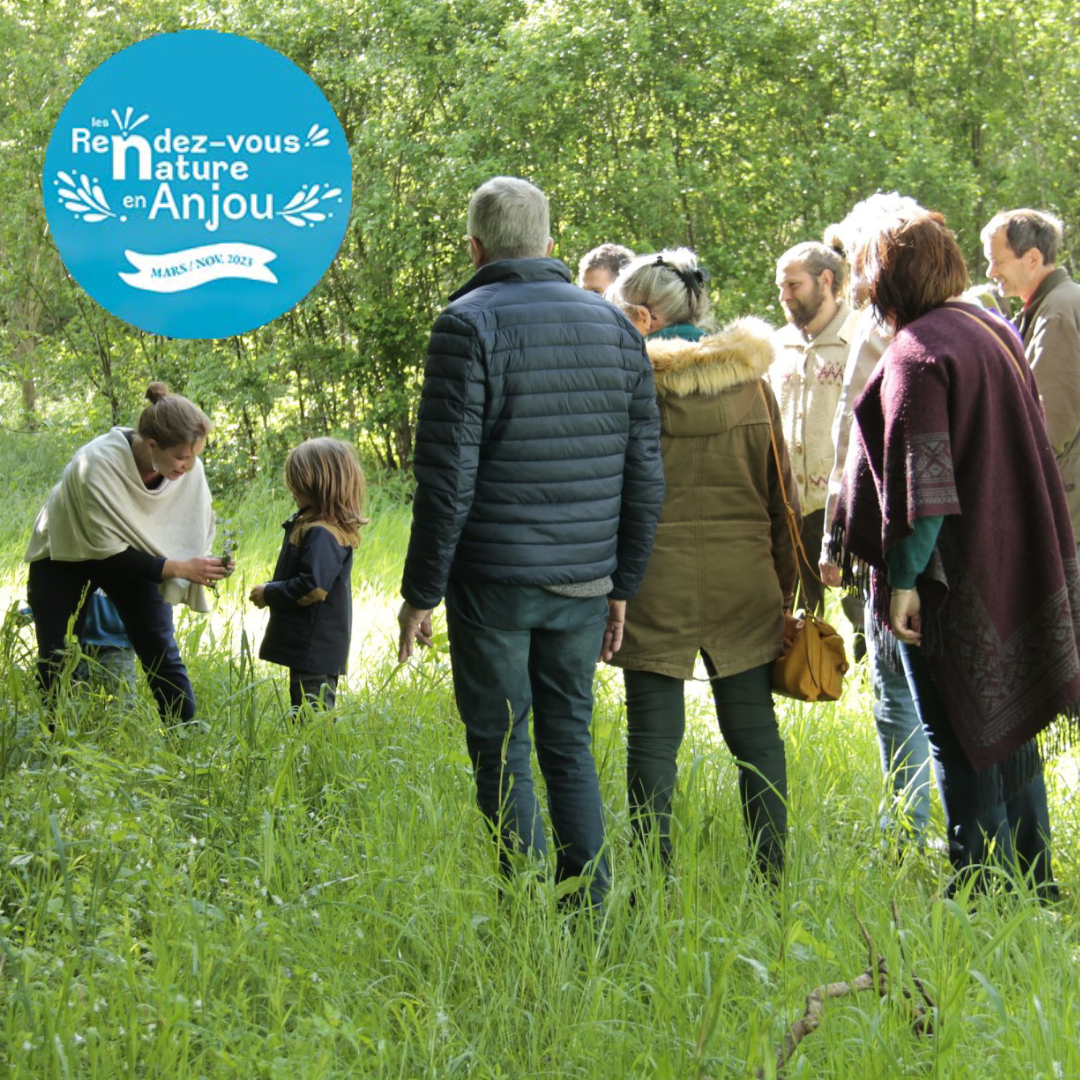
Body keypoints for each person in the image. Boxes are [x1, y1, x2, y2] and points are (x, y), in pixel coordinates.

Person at [397, 177, 665, 910]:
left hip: (493, 584)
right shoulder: (617, 329)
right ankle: (591, 907)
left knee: (502, 747)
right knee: (567, 743)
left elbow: (447, 479)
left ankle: (523, 911)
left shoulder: (464, 323)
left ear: (476, 247)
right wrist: (621, 586)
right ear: (550, 244)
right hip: (583, 582)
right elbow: (646, 475)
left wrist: (419, 594)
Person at [835, 210, 1080, 898]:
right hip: (1009, 556)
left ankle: (978, 883)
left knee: (956, 732)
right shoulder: (990, 328)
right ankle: (1034, 877)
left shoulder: (917, 350)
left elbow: (925, 480)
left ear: (887, 278)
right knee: (1013, 727)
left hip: (951, 573)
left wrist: (906, 581)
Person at [605, 248, 797, 879]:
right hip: (745, 583)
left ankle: (651, 880)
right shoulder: (753, 384)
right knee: (755, 735)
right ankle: (772, 877)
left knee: (653, 742)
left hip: (649, 585)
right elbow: (782, 502)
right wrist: (789, 594)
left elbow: (610, 496)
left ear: (642, 315)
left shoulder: (627, 385)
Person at [820, 194, 932, 848]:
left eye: (856, 255)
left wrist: (839, 534)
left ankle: (908, 832)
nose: (853, 270)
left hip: (896, 531)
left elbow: (854, 439)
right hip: (905, 528)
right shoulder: (967, 313)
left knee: (899, 694)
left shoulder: (887, 324)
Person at [25, 382, 230, 726]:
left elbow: (188, 529)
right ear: (152, 445)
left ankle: (186, 741)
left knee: (160, 648)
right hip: (63, 553)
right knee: (57, 655)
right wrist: (180, 567)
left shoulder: (186, 468)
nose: (189, 466)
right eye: (181, 457)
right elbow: (107, 553)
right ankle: (56, 742)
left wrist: (205, 565)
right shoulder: (94, 464)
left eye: (194, 456)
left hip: (138, 555)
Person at [981, 209, 1080, 549]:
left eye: (997, 261)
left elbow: (1051, 422)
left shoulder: (1057, 312)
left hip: (1070, 508)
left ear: (1033, 258)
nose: (990, 272)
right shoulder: (1054, 304)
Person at [250, 438, 367, 711]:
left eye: (297, 485)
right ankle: (310, 754)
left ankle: (317, 756)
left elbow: (313, 587)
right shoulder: (316, 525)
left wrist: (269, 593)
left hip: (314, 647)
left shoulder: (322, 532)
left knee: (312, 720)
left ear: (316, 485)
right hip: (312, 648)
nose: (293, 492)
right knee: (306, 713)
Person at [769, 242, 851, 616]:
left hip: (848, 502)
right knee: (799, 616)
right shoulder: (776, 345)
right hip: (792, 506)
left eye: (793, 285)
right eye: (780, 287)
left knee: (861, 612)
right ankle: (811, 678)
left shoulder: (857, 339)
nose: (784, 296)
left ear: (826, 280)